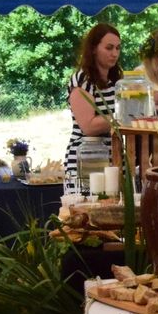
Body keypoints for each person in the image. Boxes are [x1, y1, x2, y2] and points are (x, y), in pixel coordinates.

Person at [64, 23, 120, 192]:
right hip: (86, 159)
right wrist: (122, 117)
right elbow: (88, 126)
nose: (114, 53)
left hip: (110, 159)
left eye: (118, 48)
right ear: (94, 49)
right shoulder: (82, 80)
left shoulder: (114, 80)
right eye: (109, 48)